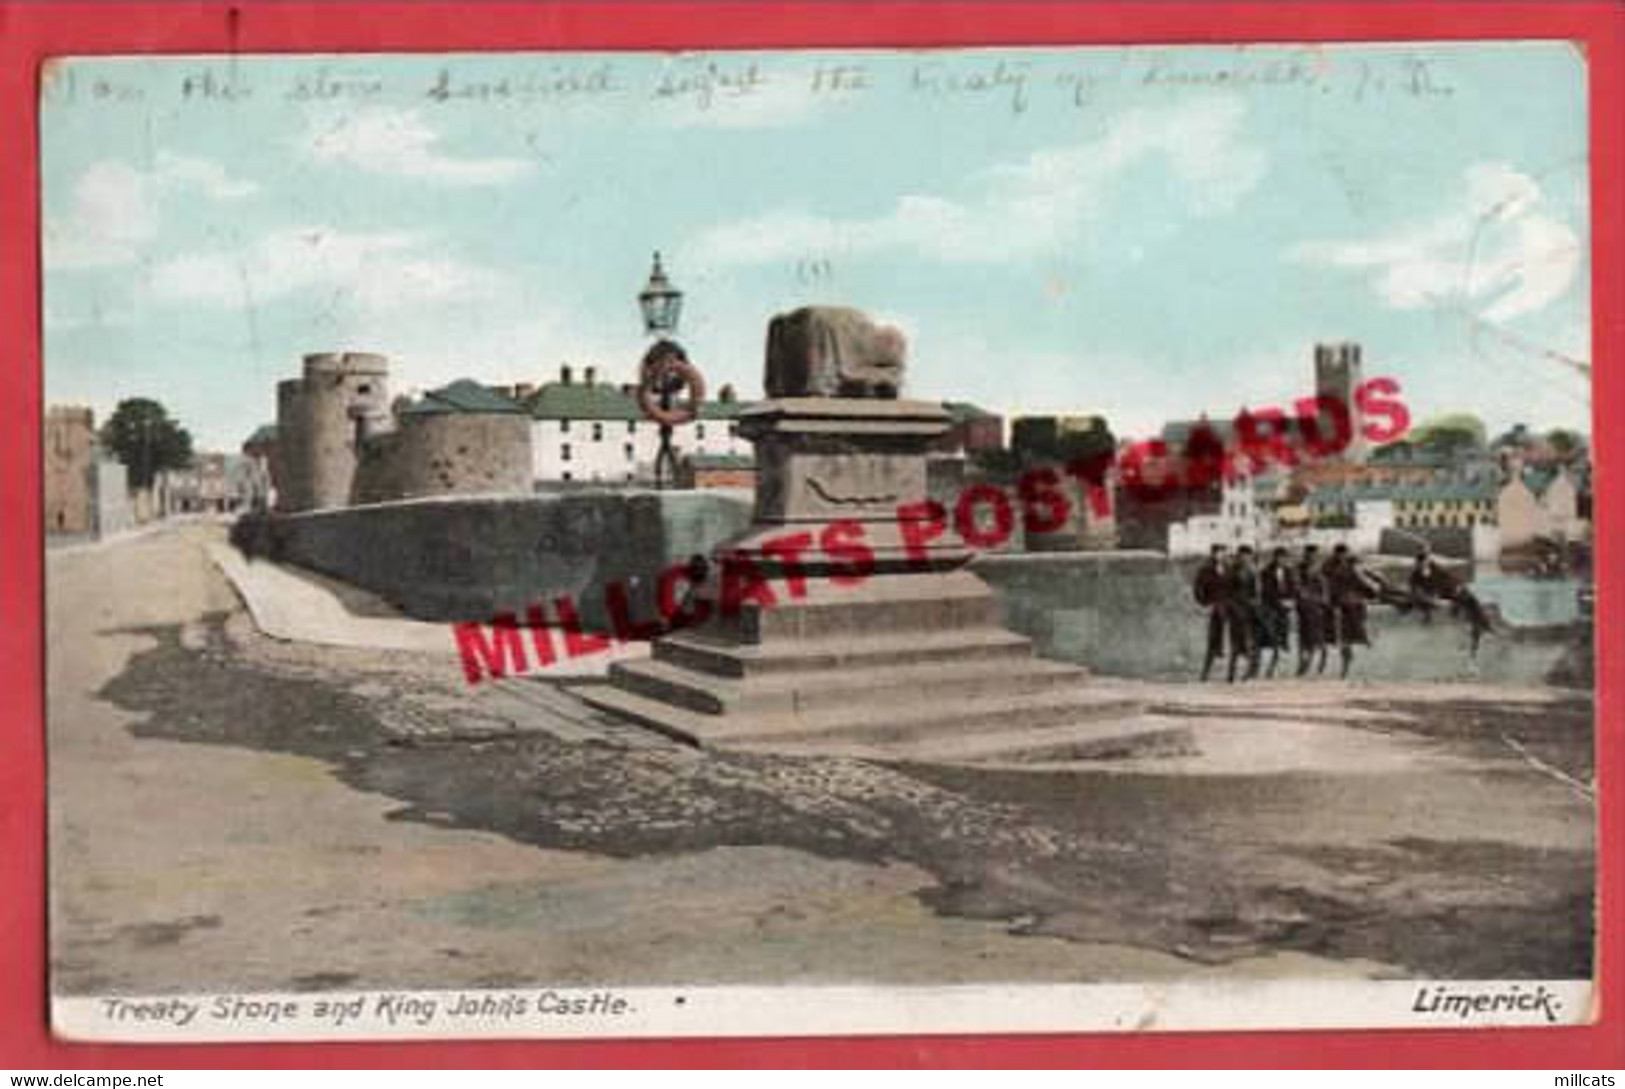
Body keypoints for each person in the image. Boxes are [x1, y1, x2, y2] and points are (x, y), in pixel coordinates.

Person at [1409, 547, 1494, 656]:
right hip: (1443, 597)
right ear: (1417, 564)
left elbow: (1451, 578)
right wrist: (1434, 601)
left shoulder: (1434, 567)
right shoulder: (1415, 577)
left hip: (1455, 592)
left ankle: (1484, 630)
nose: (1424, 565)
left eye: (1425, 562)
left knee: (1473, 605)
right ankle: (1475, 635)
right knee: (1466, 607)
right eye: (1421, 564)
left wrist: (1458, 586)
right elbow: (1416, 593)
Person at [1326, 544, 1385, 678]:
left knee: (1344, 638)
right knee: (1351, 634)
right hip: (1348, 605)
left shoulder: (1332, 567)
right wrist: (1375, 590)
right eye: (1344, 554)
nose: (1344, 557)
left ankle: (1345, 669)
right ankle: (1366, 641)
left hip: (1339, 604)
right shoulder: (1348, 569)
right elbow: (1365, 585)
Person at [1193, 544, 1231, 682]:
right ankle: (1205, 673)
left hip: (1228, 608)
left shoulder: (1228, 569)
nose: (1222, 556)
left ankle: (1229, 674)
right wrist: (1205, 604)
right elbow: (1198, 589)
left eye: (1224, 553)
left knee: (1232, 640)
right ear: (1213, 554)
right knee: (1212, 641)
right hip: (1213, 609)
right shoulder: (1205, 570)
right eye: (1219, 553)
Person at [1227, 545, 1262, 682]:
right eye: (1242, 555)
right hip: (1236, 610)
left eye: (1247, 556)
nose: (1245, 558)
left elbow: (1257, 593)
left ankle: (1249, 672)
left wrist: (1254, 604)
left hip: (1250, 611)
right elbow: (1228, 591)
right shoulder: (1232, 571)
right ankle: (1231, 674)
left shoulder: (1253, 571)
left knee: (1250, 642)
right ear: (1239, 556)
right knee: (1235, 643)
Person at [1258, 546, 1294, 678]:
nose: (1282, 560)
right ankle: (1268, 667)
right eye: (1280, 557)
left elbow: (1292, 588)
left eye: (1284, 558)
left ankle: (1277, 667)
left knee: (1283, 636)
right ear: (1275, 558)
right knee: (1271, 638)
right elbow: (1267, 592)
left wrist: (1291, 601)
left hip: (1284, 609)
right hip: (1270, 608)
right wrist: (1280, 602)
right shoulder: (1266, 572)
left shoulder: (1289, 571)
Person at [1294, 544, 1330, 676]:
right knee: (1305, 635)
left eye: (1315, 555)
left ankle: (1314, 664)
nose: (1313, 557)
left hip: (1316, 606)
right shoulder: (1299, 568)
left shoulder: (1318, 568)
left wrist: (1324, 598)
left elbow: (1324, 585)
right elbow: (1297, 586)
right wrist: (1305, 596)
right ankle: (1304, 664)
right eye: (1310, 555)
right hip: (1305, 607)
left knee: (1316, 634)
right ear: (1306, 555)